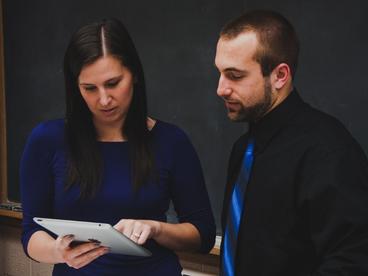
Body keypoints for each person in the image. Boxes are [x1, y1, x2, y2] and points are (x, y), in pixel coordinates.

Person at [20, 18, 215, 276]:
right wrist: (59, 251)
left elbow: (203, 234)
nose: (104, 99)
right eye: (89, 88)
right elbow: (31, 233)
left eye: (113, 83)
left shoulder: (172, 141)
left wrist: (156, 229)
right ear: (75, 87)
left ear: (133, 74)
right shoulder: (46, 140)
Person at [215, 10, 368, 276]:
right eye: (219, 73)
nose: (221, 88)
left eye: (235, 76)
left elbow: (351, 262)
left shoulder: (328, 151)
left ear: (280, 75)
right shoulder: (244, 150)